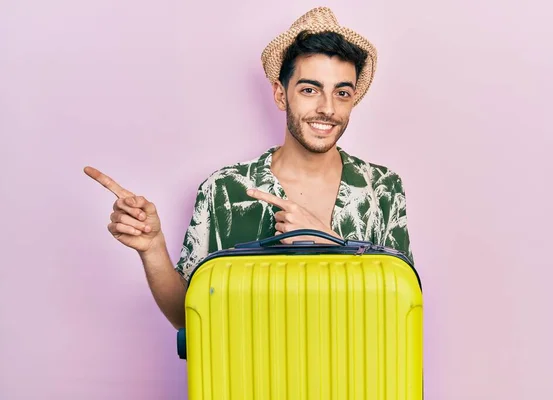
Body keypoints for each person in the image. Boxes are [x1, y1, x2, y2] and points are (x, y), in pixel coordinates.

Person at [84, 7, 414, 330]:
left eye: (342, 93)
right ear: (280, 94)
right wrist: (153, 247)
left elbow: (401, 313)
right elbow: (189, 319)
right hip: (250, 382)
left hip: (353, 382)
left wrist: (327, 243)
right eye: (310, 90)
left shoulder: (382, 187)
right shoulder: (225, 188)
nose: (327, 108)